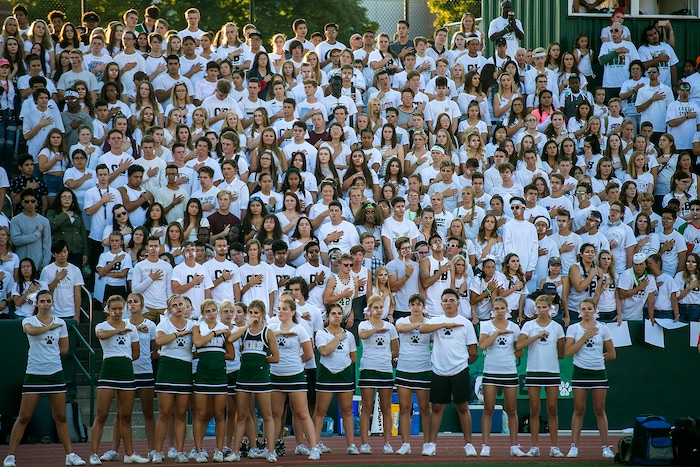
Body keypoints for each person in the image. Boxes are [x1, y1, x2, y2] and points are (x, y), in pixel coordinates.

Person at [3, 290, 87, 467]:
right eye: (43, 301)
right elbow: (31, 331)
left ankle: (70, 454)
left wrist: (50, 351)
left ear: (52, 303)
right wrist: (49, 328)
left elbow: (64, 349)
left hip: (55, 374)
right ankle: (10, 455)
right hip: (34, 373)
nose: (46, 304)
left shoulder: (61, 323)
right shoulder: (29, 320)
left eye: (49, 301)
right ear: (37, 303)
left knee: (60, 416)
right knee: (24, 416)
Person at [88, 295, 148, 465]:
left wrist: (125, 360)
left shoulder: (131, 327)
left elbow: (135, 353)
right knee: (101, 415)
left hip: (126, 373)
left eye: (120, 308)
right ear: (108, 309)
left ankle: (129, 453)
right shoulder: (102, 325)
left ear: (124, 308)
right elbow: (100, 334)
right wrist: (118, 331)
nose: (117, 312)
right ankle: (93, 453)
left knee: (126, 416)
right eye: (113, 309)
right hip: (108, 372)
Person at [419, 288, 478, 457]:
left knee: (462, 406)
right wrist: (445, 324)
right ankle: (431, 444)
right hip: (438, 370)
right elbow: (422, 329)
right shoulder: (436, 320)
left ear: (458, 303)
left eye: (452, 300)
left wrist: (461, 364)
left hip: (459, 370)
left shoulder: (466, 323)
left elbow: (473, 352)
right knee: (437, 407)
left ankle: (468, 444)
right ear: (441, 304)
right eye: (445, 301)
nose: (448, 303)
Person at [268, 297, 321, 460]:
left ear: (292, 312)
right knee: (275, 414)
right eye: (279, 308)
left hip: (296, 376)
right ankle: (271, 449)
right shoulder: (271, 327)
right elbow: (263, 340)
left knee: (302, 413)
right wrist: (280, 333)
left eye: (284, 309)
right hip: (275, 375)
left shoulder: (300, 329)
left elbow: (309, 353)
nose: (281, 311)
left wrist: (296, 363)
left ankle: (314, 447)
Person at [227, 299, 279, 462]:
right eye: (251, 312)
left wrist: (262, 361)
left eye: (256, 313)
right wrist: (247, 325)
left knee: (267, 415)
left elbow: (276, 357)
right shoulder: (244, 330)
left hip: (261, 377)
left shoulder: (267, 332)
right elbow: (230, 339)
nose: (253, 316)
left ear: (262, 314)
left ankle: (270, 450)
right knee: (241, 415)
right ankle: (236, 452)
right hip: (244, 377)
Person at [565, 298, 616, 459]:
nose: (586, 311)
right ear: (579, 311)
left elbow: (612, 354)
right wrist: (584, 337)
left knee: (599, 410)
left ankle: (606, 447)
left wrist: (599, 358)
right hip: (580, 373)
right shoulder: (573, 328)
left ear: (595, 311)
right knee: (579, 410)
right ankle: (573, 446)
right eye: (583, 309)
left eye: (589, 308)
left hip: (598, 373)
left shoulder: (603, 328)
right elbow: (568, 352)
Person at [517, 294, 566, 457]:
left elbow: (561, 352)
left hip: (551, 371)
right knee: (534, 409)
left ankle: (554, 446)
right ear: (535, 308)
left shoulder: (557, 327)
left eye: (545, 307)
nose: (542, 310)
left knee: (552, 409)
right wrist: (537, 335)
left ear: (550, 308)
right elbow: (520, 345)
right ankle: (534, 446)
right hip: (534, 370)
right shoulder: (529, 326)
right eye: (539, 307)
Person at [478, 296, 526, 457]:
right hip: (490, 371)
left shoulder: (514, 327)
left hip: (509, 371)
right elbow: (482, 345)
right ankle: (485, 445)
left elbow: (520, 350)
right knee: (488, 409)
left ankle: (514, 446)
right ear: (492, 310)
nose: (499, 311)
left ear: (507, 310)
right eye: (496, 308)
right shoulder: (486, 325)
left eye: (502, 308)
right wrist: (497, 332)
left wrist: (510, 353)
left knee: (512, 409)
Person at [151, 294, 193, 464]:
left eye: (181, 304)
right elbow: (159, 340)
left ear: (186, 306)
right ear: (169, 308)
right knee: (164, 413)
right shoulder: (164, 323)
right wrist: (179, 334)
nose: (178, 307)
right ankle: (158, 451)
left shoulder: (194, 324)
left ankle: (181, 451)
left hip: (185, 369)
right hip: (167, 368)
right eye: (174, 305)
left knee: (181, 414)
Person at [311, 303, 359, 455]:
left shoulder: (349, 335)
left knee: (347, 411)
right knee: (320, 410)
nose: (337, 316)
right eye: (333, 313)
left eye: (339, 313)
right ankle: (315, 445)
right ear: (327, 316)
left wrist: (342, 365)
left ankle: (351, 445)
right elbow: (324, 351)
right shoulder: (321, 334)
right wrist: (337, 338)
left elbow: (353, 357)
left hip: (344, 376)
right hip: (326, 375)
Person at [357, 294, 399, 454]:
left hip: (385, 370)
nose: (379, 310)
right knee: (366, 407)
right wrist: (376, 329)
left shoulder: (391, 327)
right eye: (375, 307)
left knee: (386, 408)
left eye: (381, 307)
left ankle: (388, 442)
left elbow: (396, 349)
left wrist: (391, 359)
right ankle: (365, 443)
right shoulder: (364, 324)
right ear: (370, 309)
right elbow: (363, 335)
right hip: (368, 368)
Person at [191, 299, 230, 463]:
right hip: (202, 375)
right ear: (202, 313)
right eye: (208, 311)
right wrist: (214, 333)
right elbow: (198, 342)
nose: (211, 313)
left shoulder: (225, 329)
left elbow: (231, 353)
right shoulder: (197, 327)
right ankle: (199, 450)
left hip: (219, 375)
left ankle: (219, 450)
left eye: (214, 310)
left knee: (220, 414)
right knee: (200, 414)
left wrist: (216, 356)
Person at [394, 294, 432, 455]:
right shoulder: (402, 321)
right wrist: (419, 324)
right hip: (404, 368)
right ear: (409, 306)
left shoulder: (431, 324)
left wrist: (426, 324)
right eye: (413, 304)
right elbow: (400, 329)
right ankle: (406, 444)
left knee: (424, 408)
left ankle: (428, 443)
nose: (416, 307)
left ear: (423, 306)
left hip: (423, 369)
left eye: (419, 304)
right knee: (405, 408)